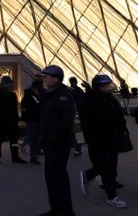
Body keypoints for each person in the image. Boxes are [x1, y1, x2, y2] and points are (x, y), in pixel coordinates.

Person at [80, 74, 128, 209]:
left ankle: (88, 176)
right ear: (98, 87)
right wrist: (91, 139)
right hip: (99, 140)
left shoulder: (109, 98)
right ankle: (112, 196)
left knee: (110, 166)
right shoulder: (90, 101)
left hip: (113, 138)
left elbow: (118, 115)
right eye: (106, 85)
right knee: (106, 167)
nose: (109, 87)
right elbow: (86, 122)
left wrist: (123, 129)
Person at [38, 65, 77, 216]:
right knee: (52, 177)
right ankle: (56, 208)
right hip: (50, 141)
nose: (45, 79)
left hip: (58, 143)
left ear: (56, 78)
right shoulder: (51, 93)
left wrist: (53, 138)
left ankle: (65, 211)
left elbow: (67, 121)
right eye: (45, 76)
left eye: (48, 76)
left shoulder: (62, 96)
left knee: (57, 177)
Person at [0, 75, 26, 164]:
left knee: (0, 139)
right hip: (9, 121)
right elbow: (14, 109)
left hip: (2, 120)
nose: (11, 86)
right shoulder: (11, 94)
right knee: (12, 139)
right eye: (10, 84)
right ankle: (14, 156)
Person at [21, 73, 44, 165]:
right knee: (33, 136)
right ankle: (32, 154)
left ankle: (33, 152)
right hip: (32, 119)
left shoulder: (31, 96)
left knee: (34, 135)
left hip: (34, 118)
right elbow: (30, 108)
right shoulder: (30, 97)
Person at [67, 77, 86, 156]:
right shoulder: (78, 91)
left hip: (76, 114)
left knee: (77, 132)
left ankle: (77, 148)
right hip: (77, 114)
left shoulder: (74, 92)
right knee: (77, 133)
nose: (72, 84)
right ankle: (77, 147)